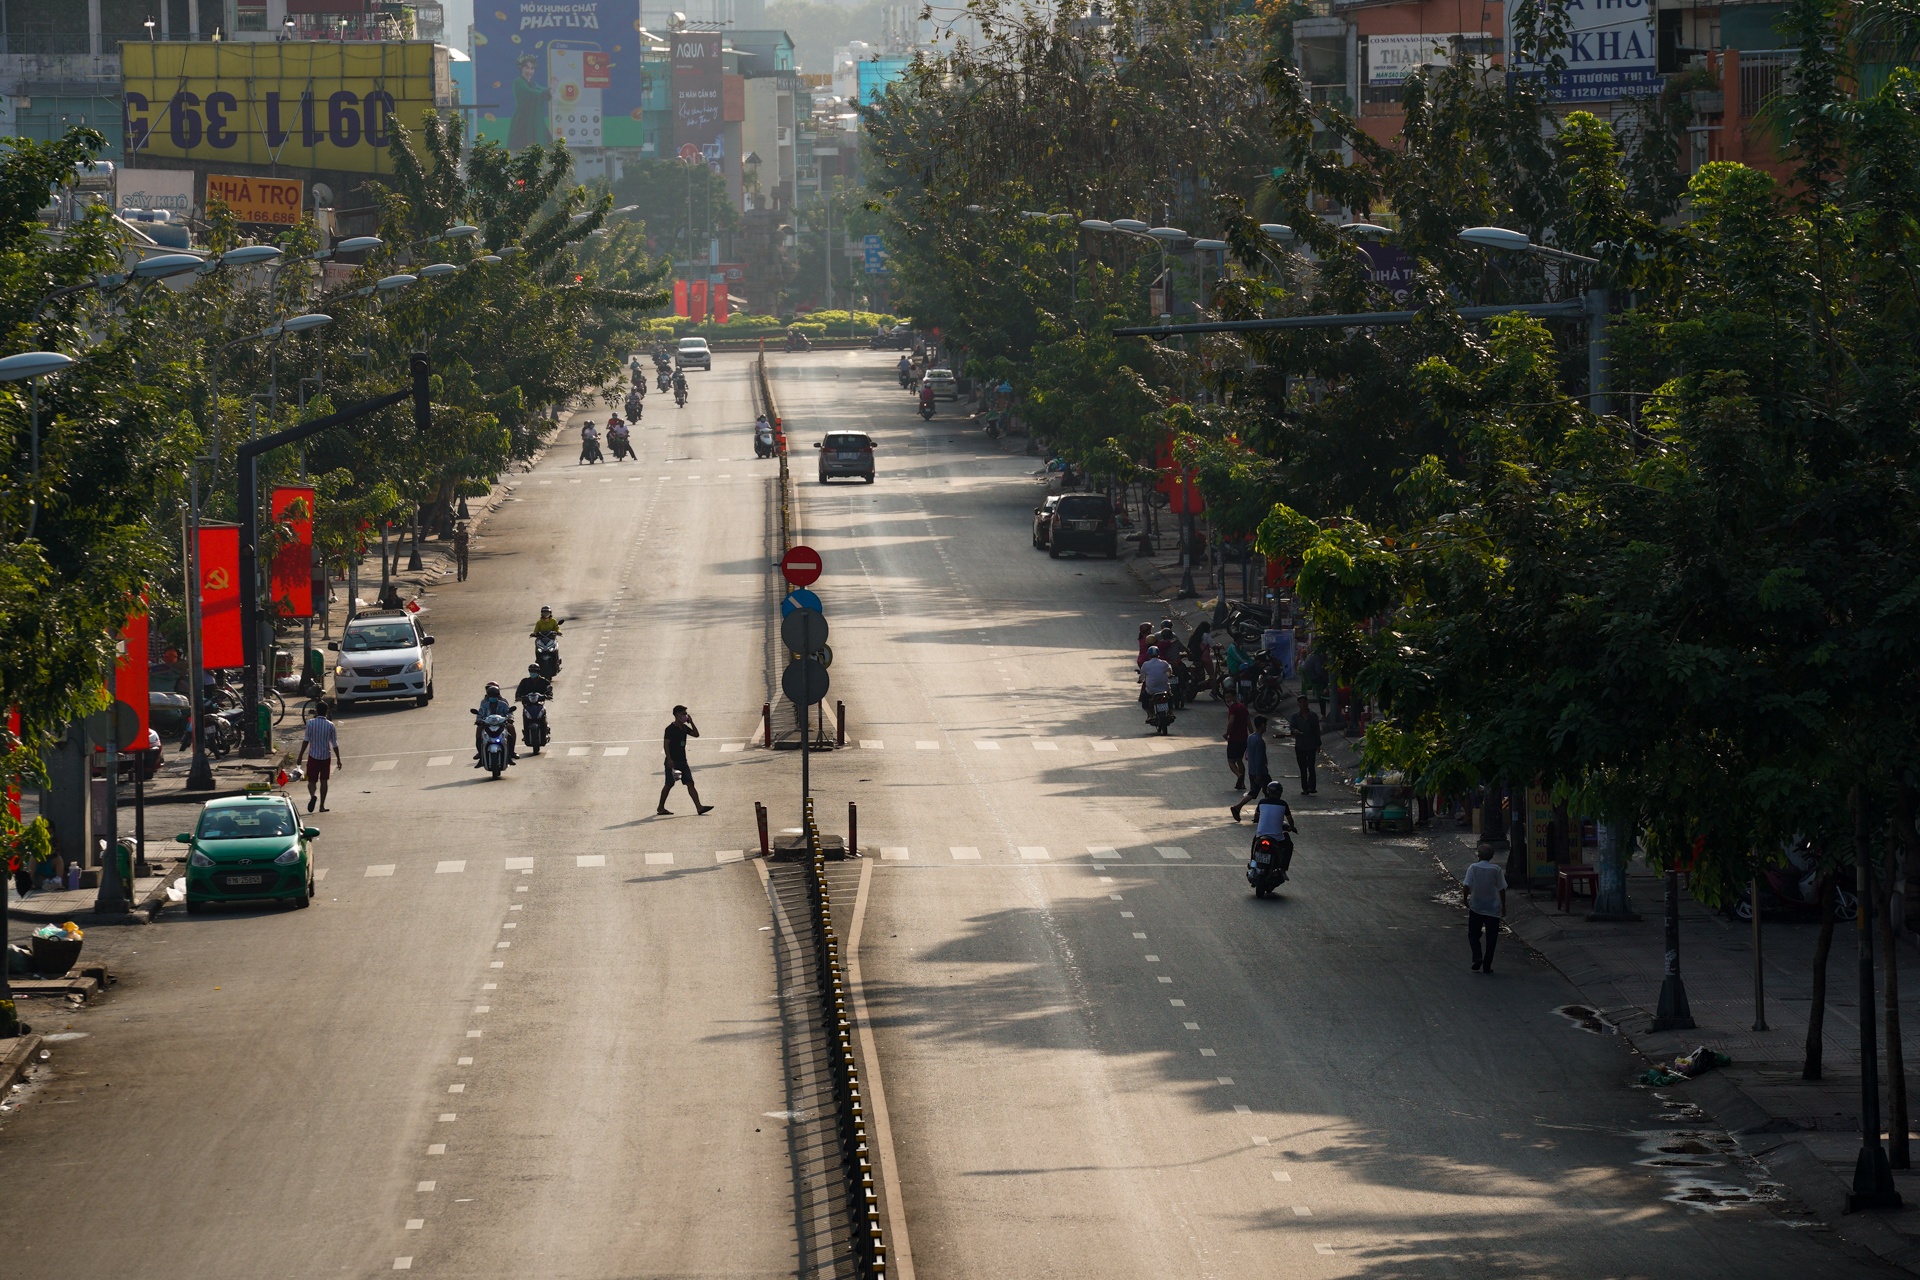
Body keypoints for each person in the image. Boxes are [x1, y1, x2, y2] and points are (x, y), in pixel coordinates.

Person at [657, 705, 712, 815]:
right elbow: (666, 745)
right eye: (683, 714)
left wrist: (691, 722)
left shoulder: (684, 728)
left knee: (690, 783)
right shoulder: (670, 729)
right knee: (669, 784)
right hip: (672, 761)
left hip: (683, 761)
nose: (685, 716)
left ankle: (699, 807)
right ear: (677, 715)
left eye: (685, 714)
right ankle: (660, 808)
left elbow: (696, 734)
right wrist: (669, 759)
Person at [1461, 844, 1509, 972]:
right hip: (1493, 908)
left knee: (1473, 934)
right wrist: (1503, 906)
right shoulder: (1496, 869)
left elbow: (1466, 885)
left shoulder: (1473, 868)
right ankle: (1487, 965)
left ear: (1478, 855)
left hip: (1477, 906)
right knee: (1491, 938)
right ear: (1492, 856)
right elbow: (1502, 889)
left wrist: (1465, 899)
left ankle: (1477, 956)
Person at [295, 701, 342, 813]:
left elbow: (306, 740)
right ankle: (321, 806)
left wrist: (300, 756)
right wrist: (339, 759)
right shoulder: (330, 725)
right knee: (324, 781)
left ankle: (312, 796)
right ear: (326, 712)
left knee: (311, 781)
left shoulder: (310, 723)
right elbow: (334, 743)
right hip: (326, 756)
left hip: (313, 756)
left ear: (316, 710)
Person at [1231, 717, 1272, 822]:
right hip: (1260, 771)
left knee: (1253, 792)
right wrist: (1259, 774)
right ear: (1262, 725)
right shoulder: (1260, 741)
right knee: (1270, 793)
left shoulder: (1251, 737)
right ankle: (1259, 814)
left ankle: (1238, 807)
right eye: (1265, 725)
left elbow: (1247, 755)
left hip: (1251, 770)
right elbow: (1259, 759)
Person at [474, 680, 516, 767]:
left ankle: (511, 754)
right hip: (487, 724)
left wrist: (509, 719)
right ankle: (481, 756)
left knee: (510, 731)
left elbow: (509, 713)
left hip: (501, 724)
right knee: (479, 734)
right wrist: (479, 721)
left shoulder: (503, 703)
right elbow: (480, 713)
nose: (492, 697)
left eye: (494, 695)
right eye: (491, 695)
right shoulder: (484, 704)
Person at [1288, 695, 1323, 795]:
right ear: (1298, 704)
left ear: (1307, 702)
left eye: (1304, 702)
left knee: (1311, 766)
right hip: (1300, 745)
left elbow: (1317, 730)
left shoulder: (1313, 716)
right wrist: (1295, 731)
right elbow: (1292, 727)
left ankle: (1312, 786)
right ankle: (1305, 787)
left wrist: (1318, 744)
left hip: (1311, 744)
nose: (1303, 704)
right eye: (1301, 702)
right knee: (1303, 768)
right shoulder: (1295, 716)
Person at [1224, 695, 1252, 790]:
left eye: (1229, 697)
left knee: (1231, 762)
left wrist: (1227, 733)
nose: (1227, 699)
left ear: (1233, 698)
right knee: (1239, 760)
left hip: (1234, 739)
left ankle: (1239, 775)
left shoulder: (1233, 708)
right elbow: (1249, 722)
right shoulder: (1243, 707)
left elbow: (1231, 721)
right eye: (1226, 697)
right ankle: (1242, 784)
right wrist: (1252, 735)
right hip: (1244, 739)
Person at [1138, 645, 1172, 713]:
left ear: (1149, 655)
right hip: (1164, 688)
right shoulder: (1164, 663)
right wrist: (1169, 675)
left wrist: (1140, 680)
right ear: (1158, 654)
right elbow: (1169, 671)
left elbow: (1142, 676)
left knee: (1144, 699)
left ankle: (1149, 715)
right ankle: (1170, 712)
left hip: (1151, 690)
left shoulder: (1146, 664)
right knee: (1170, 696)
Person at [1300, 644, 1328, 717]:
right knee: (1328, 681)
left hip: (1309, 676)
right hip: (1313, 677)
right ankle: (1325, 694)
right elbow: (1319, 671)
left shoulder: (1312, 654)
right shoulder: (1317, 657)